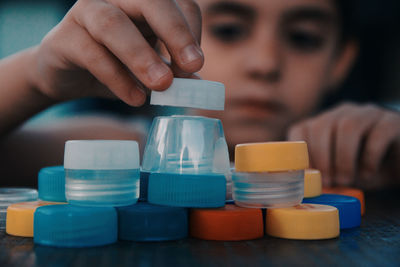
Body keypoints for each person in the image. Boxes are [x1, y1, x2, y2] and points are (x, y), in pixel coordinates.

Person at [0, 0, 398, 190]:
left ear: (341, 61)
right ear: (159, 37)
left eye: (302, 38)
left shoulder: (367, 150)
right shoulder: (126, 154)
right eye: (228, 30)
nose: (264, 63)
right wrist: (36, 78)